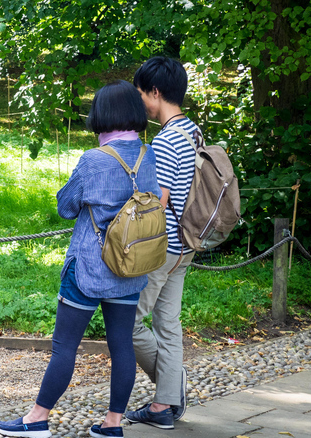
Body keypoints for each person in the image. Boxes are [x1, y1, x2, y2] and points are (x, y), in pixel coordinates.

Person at [0, 80, 161, 438]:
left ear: (101, 114)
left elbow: (66, 207)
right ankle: (113, 424)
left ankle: (37, 418)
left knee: (64, 346)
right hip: (131, 267)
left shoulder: (94, 159)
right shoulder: (150, 157)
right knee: (121, 347)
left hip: (88, 267)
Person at [124, 57, 201, 430]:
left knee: (130, 323)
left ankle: (172, 391)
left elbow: (161, 200)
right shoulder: (192, 131)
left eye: (141, 93)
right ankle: (162, 407)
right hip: (185, 245)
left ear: (155, 92)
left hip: (162, 247)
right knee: (168, 325)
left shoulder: (167, 140)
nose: (140, 101)